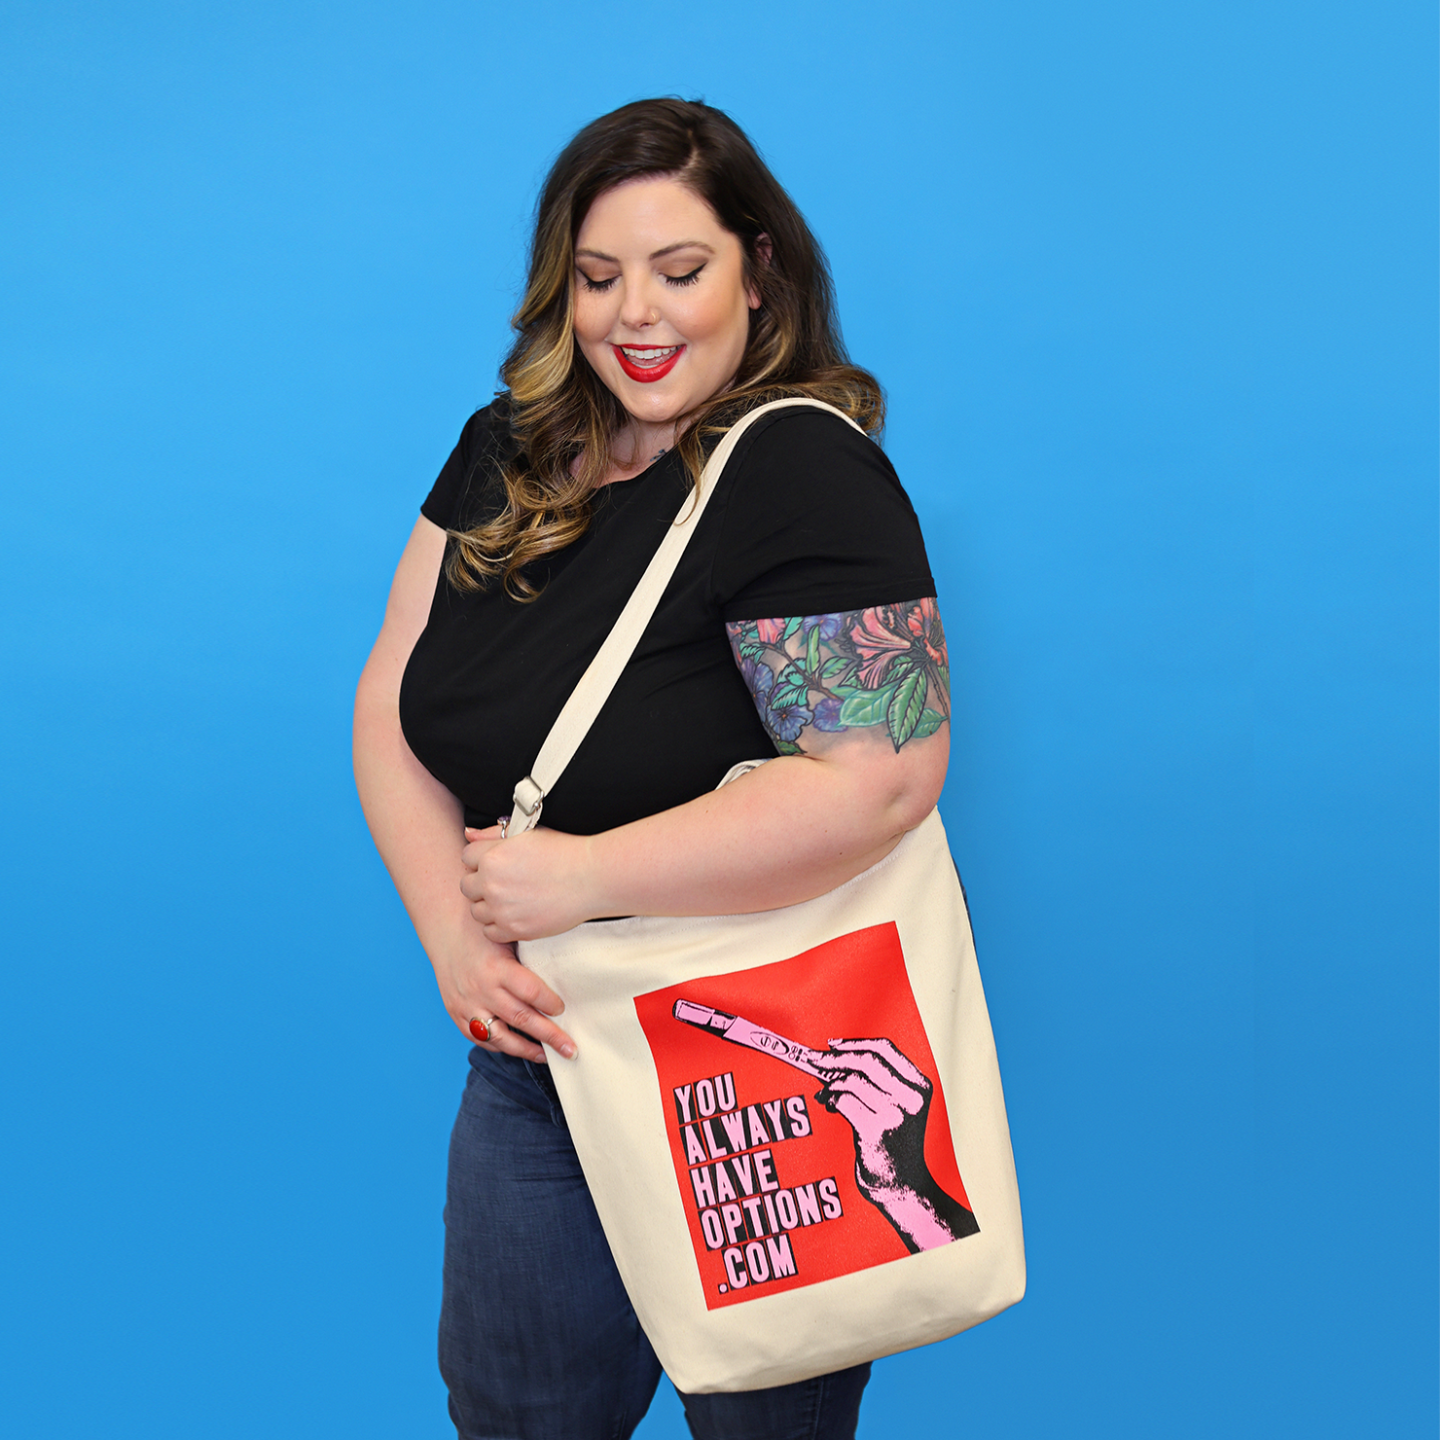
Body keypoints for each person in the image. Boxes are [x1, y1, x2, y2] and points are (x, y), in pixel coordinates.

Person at [353, 97, 953, 1440]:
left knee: (762, 1422)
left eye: (681, 271)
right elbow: (392, 700)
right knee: (516, 1417)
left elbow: (883, 778)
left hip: (757, 1064)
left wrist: (581, 877)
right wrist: (456, 939)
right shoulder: (508, 449)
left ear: (758, 270)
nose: (637, 314)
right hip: (543, 1056)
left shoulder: (798, 469)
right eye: (598, 276)